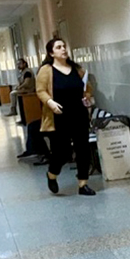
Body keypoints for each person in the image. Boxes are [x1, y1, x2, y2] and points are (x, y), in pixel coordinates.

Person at [36, 38, 96, 196]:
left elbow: (87, 87)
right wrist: (50, 102)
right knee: (62, 152)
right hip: (58, 116)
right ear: (51, 53)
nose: (63, 49)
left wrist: (87, 97)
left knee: (82, 149)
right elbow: (40, 90)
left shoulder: (76, 69)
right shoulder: (46, 70)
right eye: (58, 47)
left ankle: (83, 184)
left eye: (64, 46)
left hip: (79, 114)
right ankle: (52, 174)